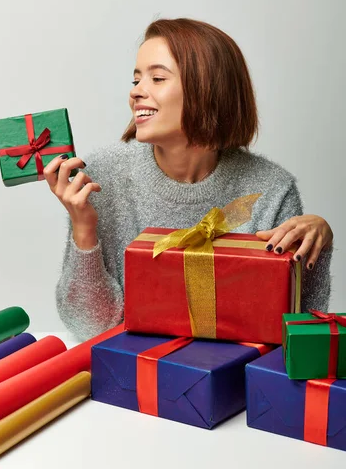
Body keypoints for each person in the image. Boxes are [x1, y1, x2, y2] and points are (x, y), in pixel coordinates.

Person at [44, 18, 333, 341]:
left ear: (206, 89)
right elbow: (91, 327)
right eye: (136, 79)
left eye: (156, 78)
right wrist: (84, 228)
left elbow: (295, 333)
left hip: (230, 380)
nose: (136, 92)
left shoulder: (271, 190)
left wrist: (316, 248)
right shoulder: (102, 178)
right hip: (133, 377)